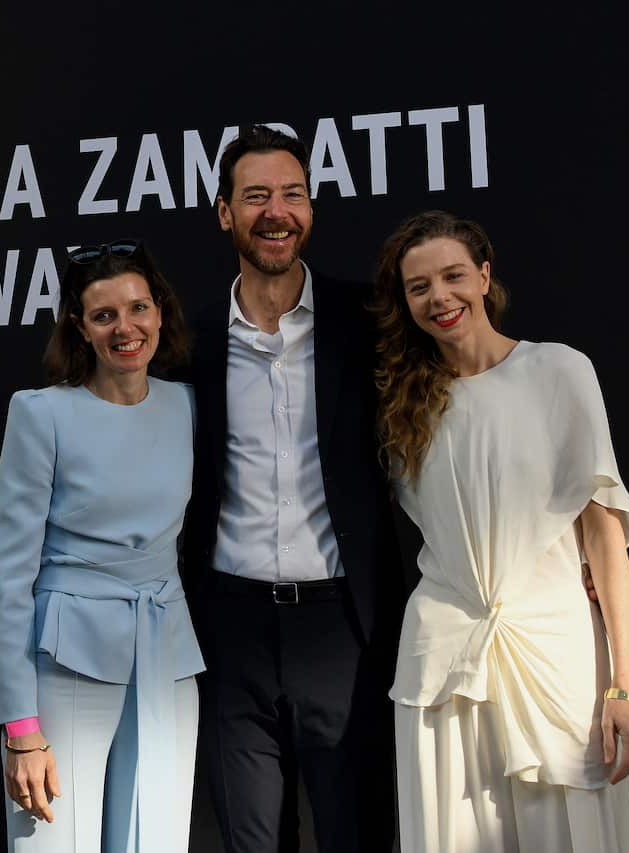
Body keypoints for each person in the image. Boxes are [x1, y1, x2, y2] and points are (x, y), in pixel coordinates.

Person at [373, 210, 629, 852]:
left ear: (484, 276)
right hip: (443, 659)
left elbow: (605, 543)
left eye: (453, 276)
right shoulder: (398, 401)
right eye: (419, 287)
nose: (439, 297)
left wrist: (625, 684)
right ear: (405, 301)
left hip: (557, 655)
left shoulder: (559, 372)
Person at [181, 125, 403, 852]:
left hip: (342, 628)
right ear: (224, 213)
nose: (277, 211)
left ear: (310, 207)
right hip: (231, 628)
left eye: (292, 194)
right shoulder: (189, 342)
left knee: (353, 834)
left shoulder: (367, 324)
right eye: (255, 197)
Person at [0, 240, 204, 852]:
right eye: (104, 315)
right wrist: (20, 730)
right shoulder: (41, 414)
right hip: (66, 663)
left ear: (160, 311)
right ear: (79, 326)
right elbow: (9, 576)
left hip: (167, 654)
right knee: (53, 843)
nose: (126, 329)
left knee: (156, 840)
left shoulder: (186, 405)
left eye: (138, 308)